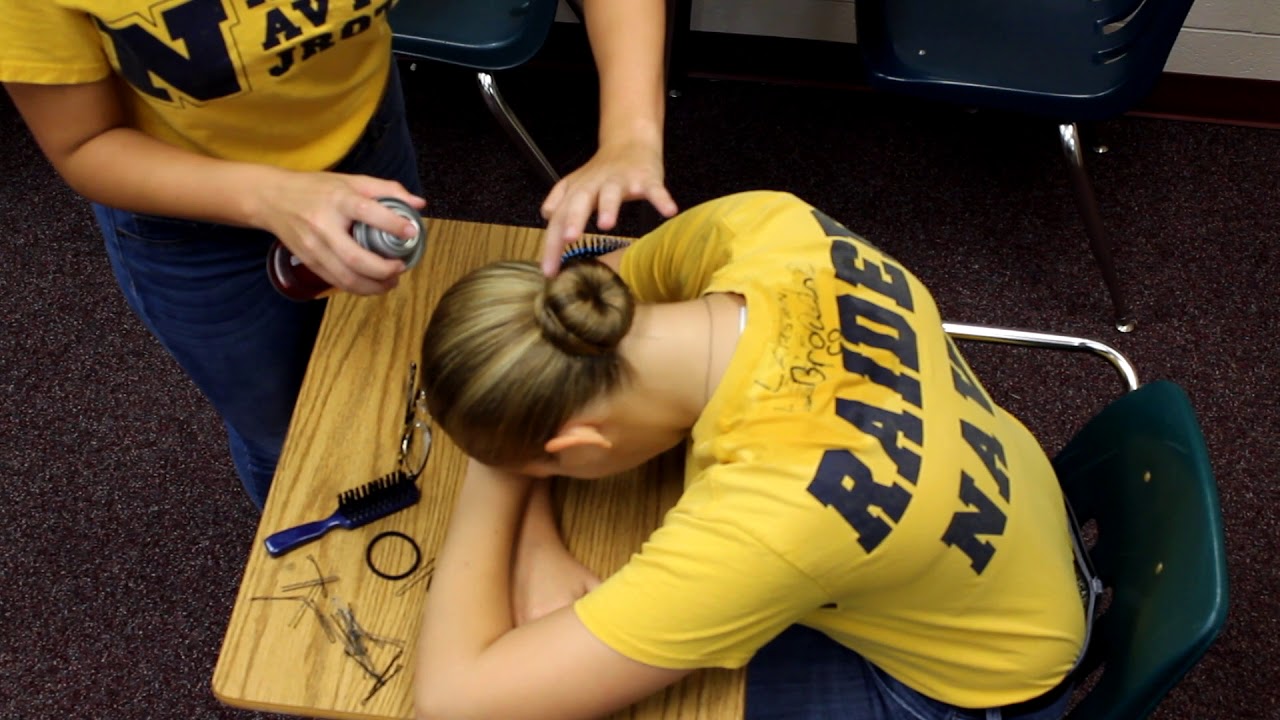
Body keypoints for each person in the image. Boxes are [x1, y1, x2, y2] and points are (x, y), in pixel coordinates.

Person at [412, 191, 1087, 720]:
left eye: (551, 465)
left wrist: (495, 465)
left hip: (978, 682)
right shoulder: (768, 224)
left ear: (580, 443)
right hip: (1016, 516)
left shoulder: (769, 518)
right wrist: (533, 533)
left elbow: (455, 700)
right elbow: (586, 287)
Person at [0, 0, 676, 509]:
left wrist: (630, 132)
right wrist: (270, 198)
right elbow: (83, 144)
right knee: (282, 433)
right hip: (189, 216)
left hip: (366, 149)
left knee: (389, 368)